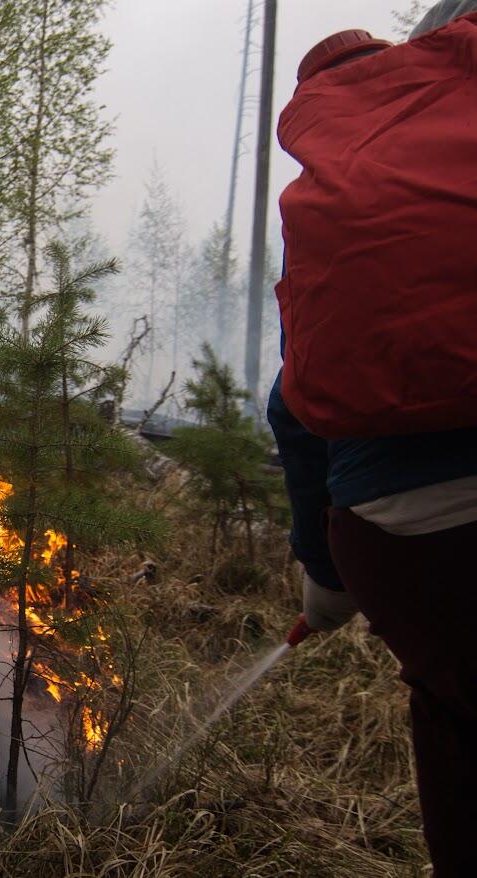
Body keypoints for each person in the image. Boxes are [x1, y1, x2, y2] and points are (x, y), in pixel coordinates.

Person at [269, 3, 477, 874]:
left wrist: (325, 580)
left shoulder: (330, 189)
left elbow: (295, 406)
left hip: (396, 537)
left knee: (455, 715)